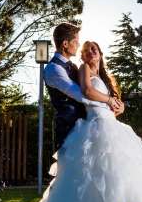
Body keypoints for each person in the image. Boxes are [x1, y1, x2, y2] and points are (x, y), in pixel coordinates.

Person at [33, 39, 142, 202]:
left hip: (112, 125)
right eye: (86, 50)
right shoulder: (84, 69)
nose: (90, 52)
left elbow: (109, 102)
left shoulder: (105, 78)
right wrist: (109, 100)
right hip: (95, 127)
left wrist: (118, 105)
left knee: (122, 180)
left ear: (100, 53)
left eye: (94, 49)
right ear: (83, 56)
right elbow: (88, 92)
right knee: (94, 182)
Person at [42, 22, 123, 151]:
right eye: (76, 41)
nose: (78, 45)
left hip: (86, 128)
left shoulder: (72, 66)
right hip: (69, 130)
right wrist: (111, 103)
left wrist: (119, 105)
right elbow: (83, 96)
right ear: (65, 44)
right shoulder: (54, 69)